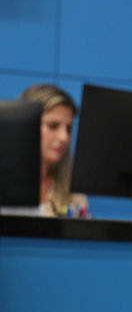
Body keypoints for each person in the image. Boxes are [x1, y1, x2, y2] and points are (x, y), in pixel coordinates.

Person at [19, 84, 88, 217]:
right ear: (26, 124)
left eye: (69, 129)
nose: (64, 137)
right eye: (53, 126)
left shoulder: (73, 193)